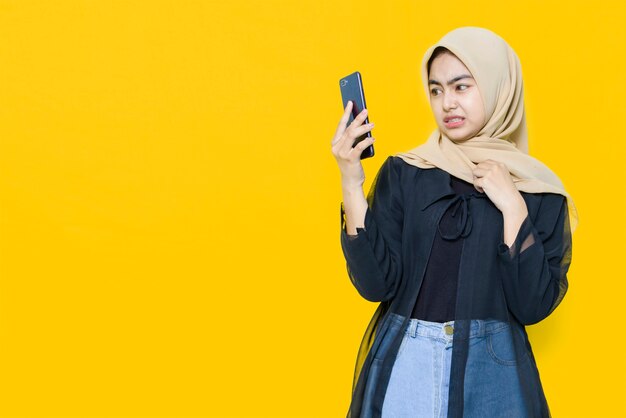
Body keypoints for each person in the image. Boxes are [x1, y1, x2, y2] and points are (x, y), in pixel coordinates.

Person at [330, 26, 577, 418]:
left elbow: (532, 306)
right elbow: (376, 283)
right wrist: (351, 181)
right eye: (436, 90)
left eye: (462, 87)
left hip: (491, 372)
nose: (447, 104)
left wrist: (513, 207)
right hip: (405, 361)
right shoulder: (406, 172)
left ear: (499, 87)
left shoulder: (537, 190)